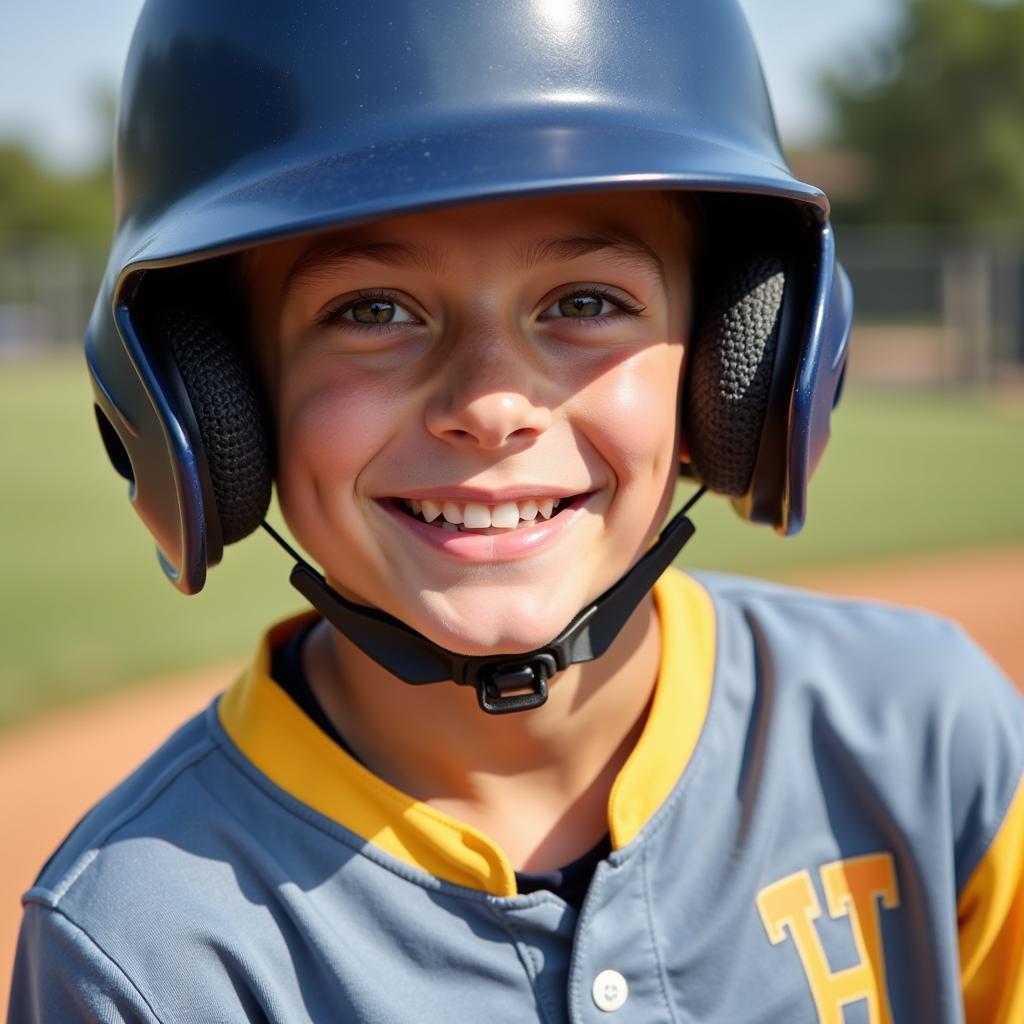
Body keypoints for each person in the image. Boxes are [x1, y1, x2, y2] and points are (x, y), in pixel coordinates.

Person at [10, 1, 1024, 1021]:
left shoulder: (925, 742)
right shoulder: (147, 946)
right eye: (372, 311)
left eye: (583, 302)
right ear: (214, 394)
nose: (490, 407)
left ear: (734, 369)